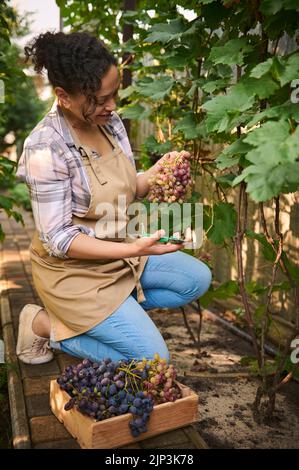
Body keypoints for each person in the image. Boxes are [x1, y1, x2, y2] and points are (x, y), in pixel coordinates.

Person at [15, 31, 212, 365]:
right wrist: (135, 248)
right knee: (152, 362)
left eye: (113, 94)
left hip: (119, 252)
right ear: (63, 96)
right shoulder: (46, 148)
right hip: (75, 274)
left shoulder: (110, 123)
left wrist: (159, 172)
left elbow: (124, 186)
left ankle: (113, 318)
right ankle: (43, 324)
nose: (112, 106)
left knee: (195, 280)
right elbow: (59, 239)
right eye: (98, 99)